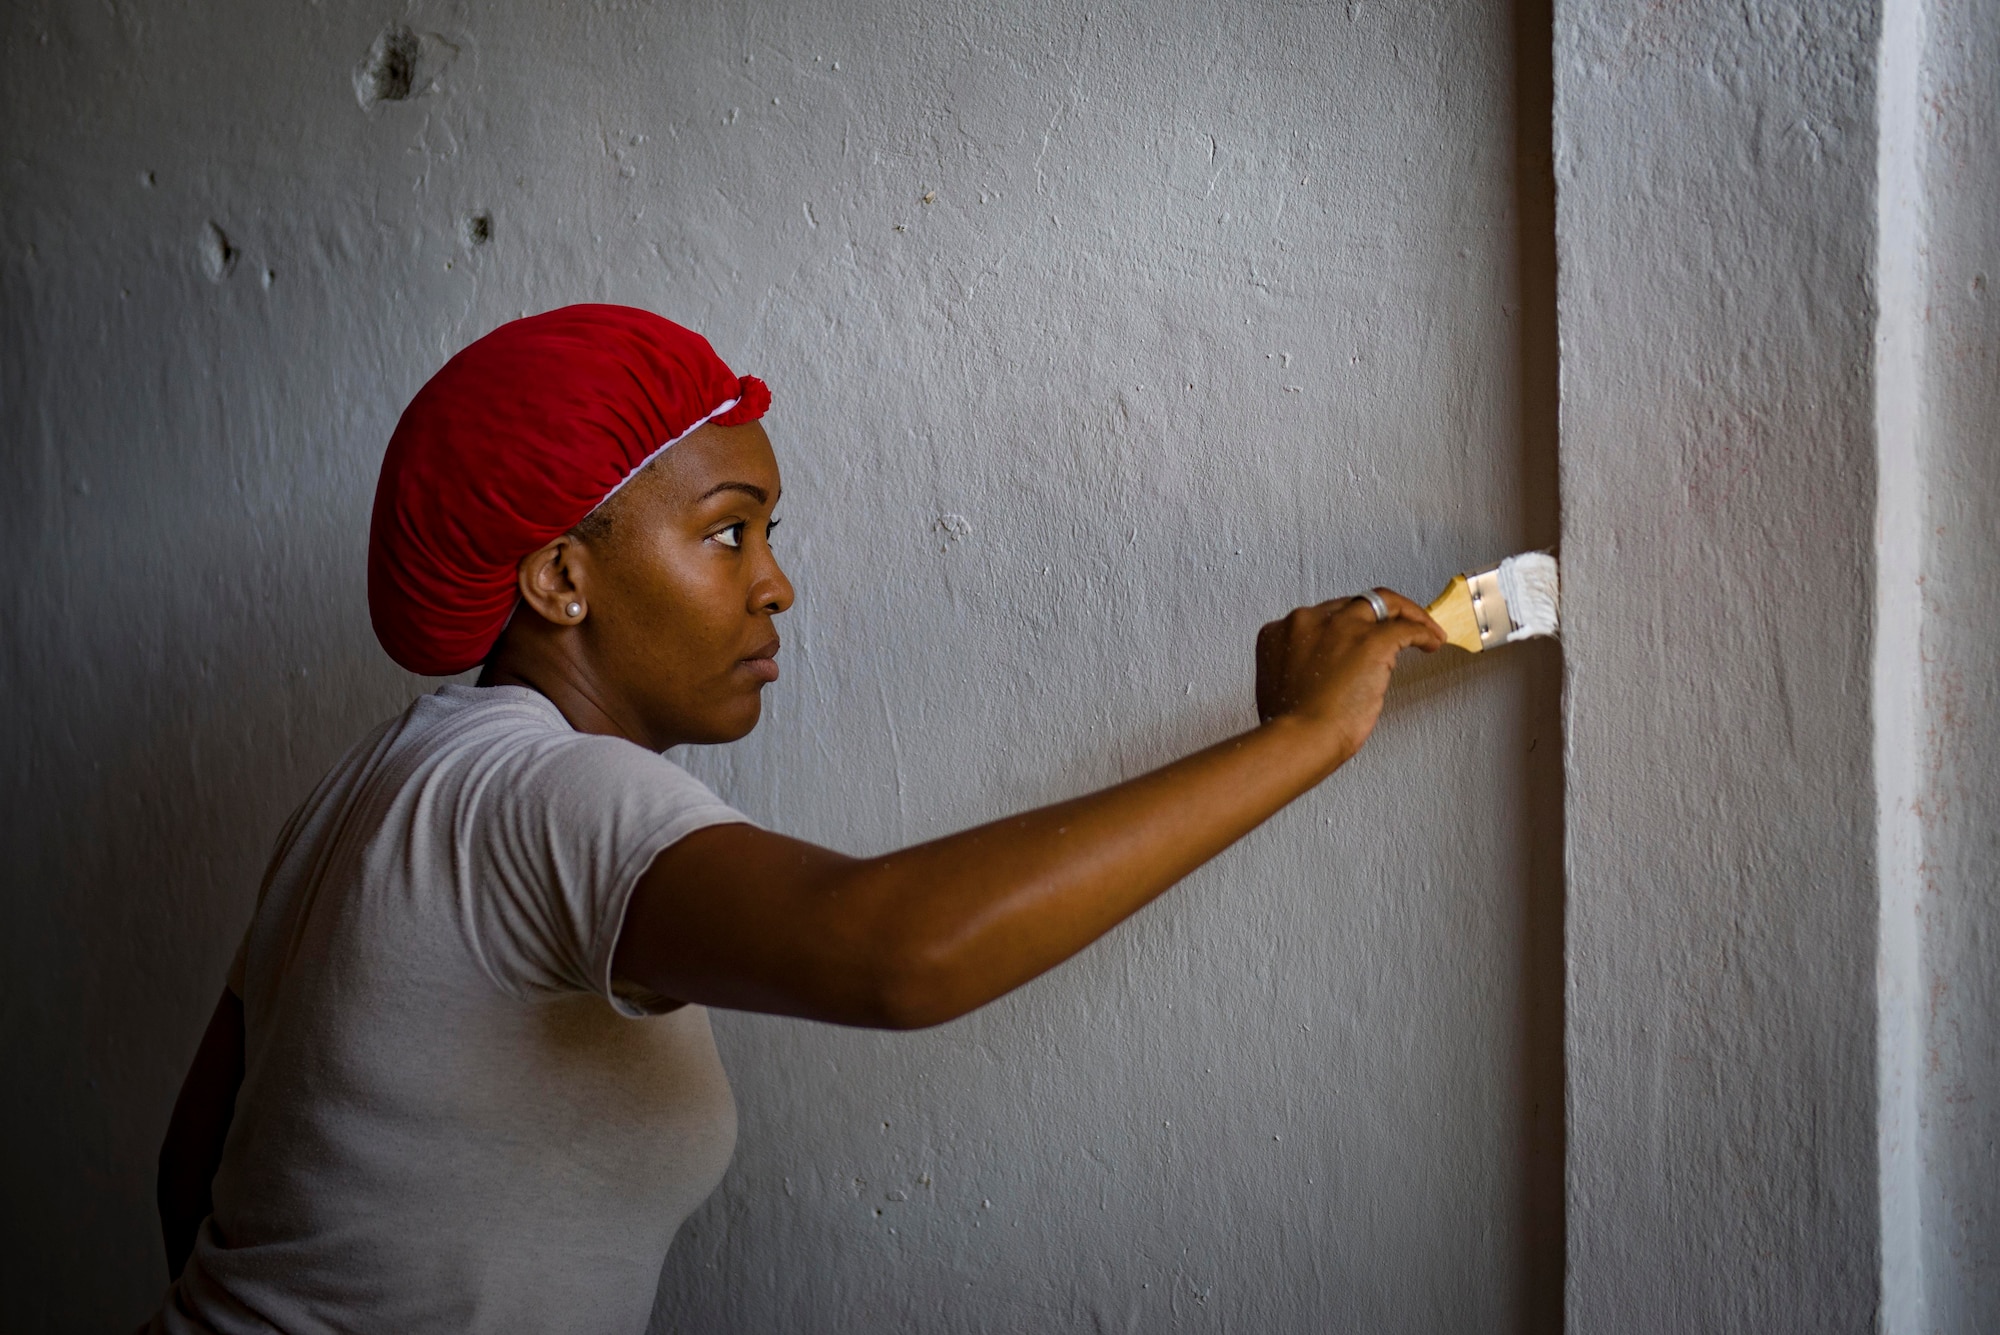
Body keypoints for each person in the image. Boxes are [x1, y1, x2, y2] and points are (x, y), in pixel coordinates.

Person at [149, 305, 1444, 1333]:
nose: (776, 583)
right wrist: (1303, 737)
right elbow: (894, 951)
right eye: (728, 533)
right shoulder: (554, 794)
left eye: (768, 530)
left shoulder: (366, 790)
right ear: (559, 578)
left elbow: (199, 1169)